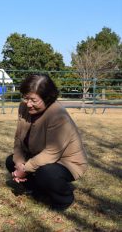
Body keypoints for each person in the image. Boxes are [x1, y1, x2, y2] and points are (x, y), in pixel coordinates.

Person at [5, 73, 88, 210]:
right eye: (26, 98)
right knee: (10, 161)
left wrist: (25, 168)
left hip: (65, 161)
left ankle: (64, 199)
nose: (29, 104)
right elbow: (18, 139)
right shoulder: (23, 107)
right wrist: (19, 164)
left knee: (47, 173)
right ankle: (38, 189)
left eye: (33, 100)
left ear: (47, 98)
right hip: (38, 155)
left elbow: (52, 153)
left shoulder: (58, 115)